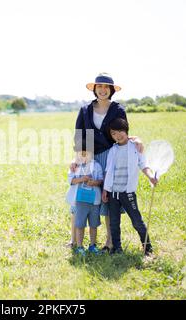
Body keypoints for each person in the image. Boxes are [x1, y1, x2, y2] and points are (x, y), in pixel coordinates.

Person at [69, 73, 144, 252]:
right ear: (94, 89)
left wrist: (137, 138)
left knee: (110, 199)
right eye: (99, 87)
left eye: (106, 87)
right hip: (89, 157)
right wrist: (77, 158)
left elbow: (122, 133)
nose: (102, 90)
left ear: (111, 90)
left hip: (112, 156)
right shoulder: (85, 109)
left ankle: (110, 242)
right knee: (80, 196)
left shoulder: (118, 110)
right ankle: (74, 240)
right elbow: (79, 136)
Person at [102, 118, 158, 256]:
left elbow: (143, 165)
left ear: (126, 131)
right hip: (113, 193)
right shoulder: (112, 150)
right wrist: (105, 189)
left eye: (120, 131)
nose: (118, 135)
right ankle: (117, 248)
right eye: (114, 133)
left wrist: (151, 176)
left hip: (127, 193)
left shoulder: (135, 147)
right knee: (114, 223)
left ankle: (147, 248)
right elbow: (108, 171)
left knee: (137, 221)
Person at [66, 147, 104, 256]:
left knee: (93, 224)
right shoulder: (75, 167)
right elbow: (71, 180)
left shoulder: (96, 166)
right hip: (80, 200)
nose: (82, 157)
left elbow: (101, 179)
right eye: (80, 154)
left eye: (85, 154)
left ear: (91, 154)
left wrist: (94, 182)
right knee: (80, 224)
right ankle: (79, 246)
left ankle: (92, 245)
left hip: (94, 201)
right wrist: (82, 179)